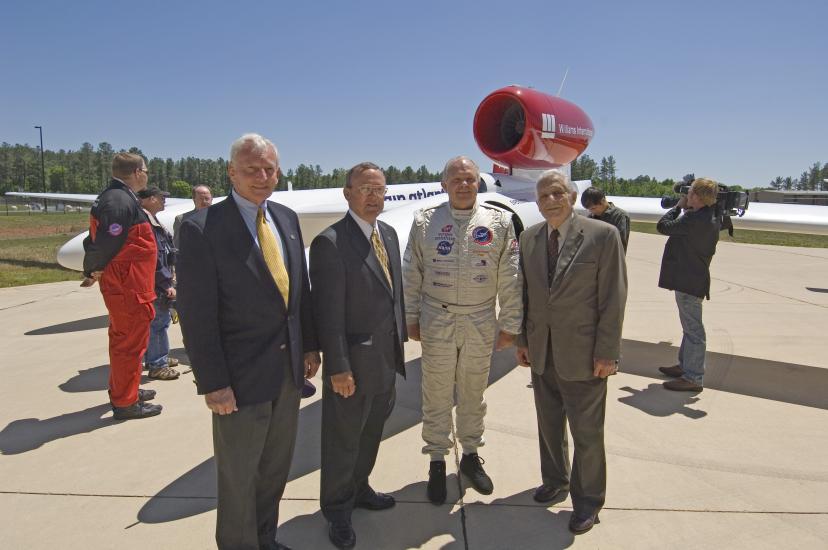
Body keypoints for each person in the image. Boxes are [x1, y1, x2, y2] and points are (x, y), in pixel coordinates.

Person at [176, 133, 320, 550]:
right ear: (231, 173)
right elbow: (197, 316)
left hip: (287, 375)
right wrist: (213, 382)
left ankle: (264, 540)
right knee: (239, 476)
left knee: (275, 470)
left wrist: (309, 345)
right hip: (238, 381)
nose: (262, 177)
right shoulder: (202, 228)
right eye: (251, 169)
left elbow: (299, 292)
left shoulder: (286, 219)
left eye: (269, 169)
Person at [403, 156, 522, 504]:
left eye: (470, 178)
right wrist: (411, 317)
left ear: (478, 182)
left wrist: (510, 324)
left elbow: (511, 277)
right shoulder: (425, 222)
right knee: (436, 391)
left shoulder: (499, 222)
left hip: (480, 319)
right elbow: (412, 273)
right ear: (444, 184)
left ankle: (470, 456)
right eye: (456, 179)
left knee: (473, 391)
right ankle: (437, 462)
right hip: (436, 318)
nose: (464, 184)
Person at [515, 170, 627, 535]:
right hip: (542, 352)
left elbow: (613, 298)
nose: (550, 200)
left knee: (587, 434)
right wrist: (522, 340)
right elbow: (526, 295)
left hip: (585, 354)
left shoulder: (602, 235)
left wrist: (607, 352)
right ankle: (555, 480)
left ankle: (588, 502)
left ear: (572, 196)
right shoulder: (530, 238)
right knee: (548, 426)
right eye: (543, 195)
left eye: (557, 193)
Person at [309, 162, 407, 549]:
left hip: (385, 361)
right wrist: (338, 368)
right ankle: (336, 509)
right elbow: (327, 314)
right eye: (365, 189)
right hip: (351, 368)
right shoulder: (330, 242)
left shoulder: (390, 235)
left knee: (369, 437)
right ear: (347, 193)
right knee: (342, 441)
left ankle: (360, 488)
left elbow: (392, 296)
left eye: (380, 190)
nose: (373, 196)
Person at [82, 153, 161, 420]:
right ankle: (126, 404)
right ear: (138, 172)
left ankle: (128, 390)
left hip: (132, 285)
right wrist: (93, 269)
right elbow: (104, 241)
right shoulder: (118, 200)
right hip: (128, 288)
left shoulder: (119, 196)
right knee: (129, 344)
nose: (147, 175)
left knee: (132, 342)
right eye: (146, 170)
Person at [656, 177, 720, 392]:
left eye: (690, 193)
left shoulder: (692, 220)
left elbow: (663, 226)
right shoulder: (710, 216)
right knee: (690, 327)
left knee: (693, 330)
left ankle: (693, 377)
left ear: (698, 197)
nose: (687, 196)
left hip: (688, 282)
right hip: (694, 279)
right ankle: (686, 366)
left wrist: (677, 207)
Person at [136, 186, 180, 381]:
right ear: (150, 199)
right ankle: (157, 364)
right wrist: (166, 284)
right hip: (156, 284)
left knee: (159, 323)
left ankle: (158, 355)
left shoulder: (152, 221)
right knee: (158, 324)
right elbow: (153, 259)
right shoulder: (145, 223)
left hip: (158, 281)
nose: (164, 201)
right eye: (161, 197)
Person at [580, 186, 630, 252]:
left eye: (593, 208)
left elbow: (619, 243)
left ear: (603, 200)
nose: (591, 212)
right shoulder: (591, 217)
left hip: (611, 260)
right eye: (589, 209)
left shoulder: (620, 216)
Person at [173, 184, 212, 248]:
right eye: (201, 198)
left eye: (207, 198)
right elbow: (177, 246)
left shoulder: (220, 217)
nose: (204, 201)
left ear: (211, 199)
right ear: (194, 200)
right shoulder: (182, 219)